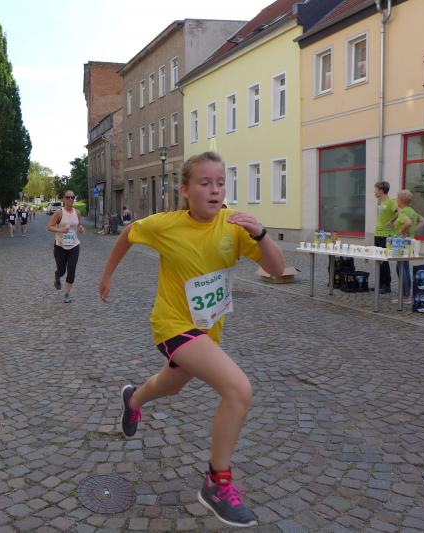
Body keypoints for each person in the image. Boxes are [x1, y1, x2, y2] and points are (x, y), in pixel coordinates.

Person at [99, 151, 285, 528]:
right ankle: (217, 484)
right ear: (185, 190)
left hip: (206, 330)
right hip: (171, 324)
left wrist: (261, 234)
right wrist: (107, 275)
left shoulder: (235, 226)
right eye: (205, 183)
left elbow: (277, 269)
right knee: (238, 389)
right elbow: (128, 234)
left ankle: (133, 400)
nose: (215, 190)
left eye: (221, 183)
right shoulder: (166, 225)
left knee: (170, 386)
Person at [48, 190, 84, 303]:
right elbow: (50, 227)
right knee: (62, 270)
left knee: (71, 269)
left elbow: (79, 225)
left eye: (72, 197)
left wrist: (81, 228)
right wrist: (61, 230)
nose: (70, 199)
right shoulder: (59, 213)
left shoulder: (77, 212)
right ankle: (57, 275)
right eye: (68, 197)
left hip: (74, 245)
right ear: (64, 199)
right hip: (60, 246)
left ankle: (67, 294)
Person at [394, 190, 424, 300]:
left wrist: (401, 231)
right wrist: (414, 230)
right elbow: (423, 220)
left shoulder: (403, 212)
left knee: (400, 268)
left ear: (402, 200)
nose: (396, 200)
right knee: (405, 267)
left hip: (402, 242)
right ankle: (406, 294)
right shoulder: (412, 211)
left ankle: (405, 295)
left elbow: (408, 222)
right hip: (410, 242)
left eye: (397, 198)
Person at [373, 181, 397, 294]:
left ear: (381, 190)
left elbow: (399, 212)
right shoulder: (382, 202)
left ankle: (387, 285)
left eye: (375, 190)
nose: (374, 192)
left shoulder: (391, 202)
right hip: (378, 234)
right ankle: (380, 284)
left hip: (386, 235)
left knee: (384, 260)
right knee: (378, 260)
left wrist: (391, 221)